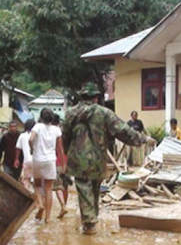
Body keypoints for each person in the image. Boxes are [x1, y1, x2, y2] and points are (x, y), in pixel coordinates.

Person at [63, 82, 157, 235]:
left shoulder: (71, 113)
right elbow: (123, 130)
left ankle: (89, 223)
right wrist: (143, 139)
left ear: (82, 96)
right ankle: (91, 221)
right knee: (94, 189)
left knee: (84, 189)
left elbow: (65, 137)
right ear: (96, 97)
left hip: (78, 160)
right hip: (98, 159)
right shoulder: (104, 113)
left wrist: (67, 154)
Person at [29, 109, 62, 223]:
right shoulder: (56, 130)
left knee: (37, 185)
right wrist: (63, 163)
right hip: (50, 161)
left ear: (41, 117)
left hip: (38, 159)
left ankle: (40, 205)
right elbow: (60, 148)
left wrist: (32, 148)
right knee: (49, 189)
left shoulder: (37, 126)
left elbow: (31, 138)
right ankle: (48, 218)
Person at [51, 113, 70, 219]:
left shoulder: (52, 132)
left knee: (58, 186)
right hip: (68, 162)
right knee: (65, 185)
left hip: (57, 162)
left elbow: (57, 148)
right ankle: (65, 206)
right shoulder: (66, 133)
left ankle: (63, 206)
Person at [14, 119, 35, 192]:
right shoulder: (37, 135)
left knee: (26, 179)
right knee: (37, 181)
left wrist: (17, 159)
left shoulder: (22, 136)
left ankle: (27, 192)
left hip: (27, 161)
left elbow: (18, 148)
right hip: (37, 161)